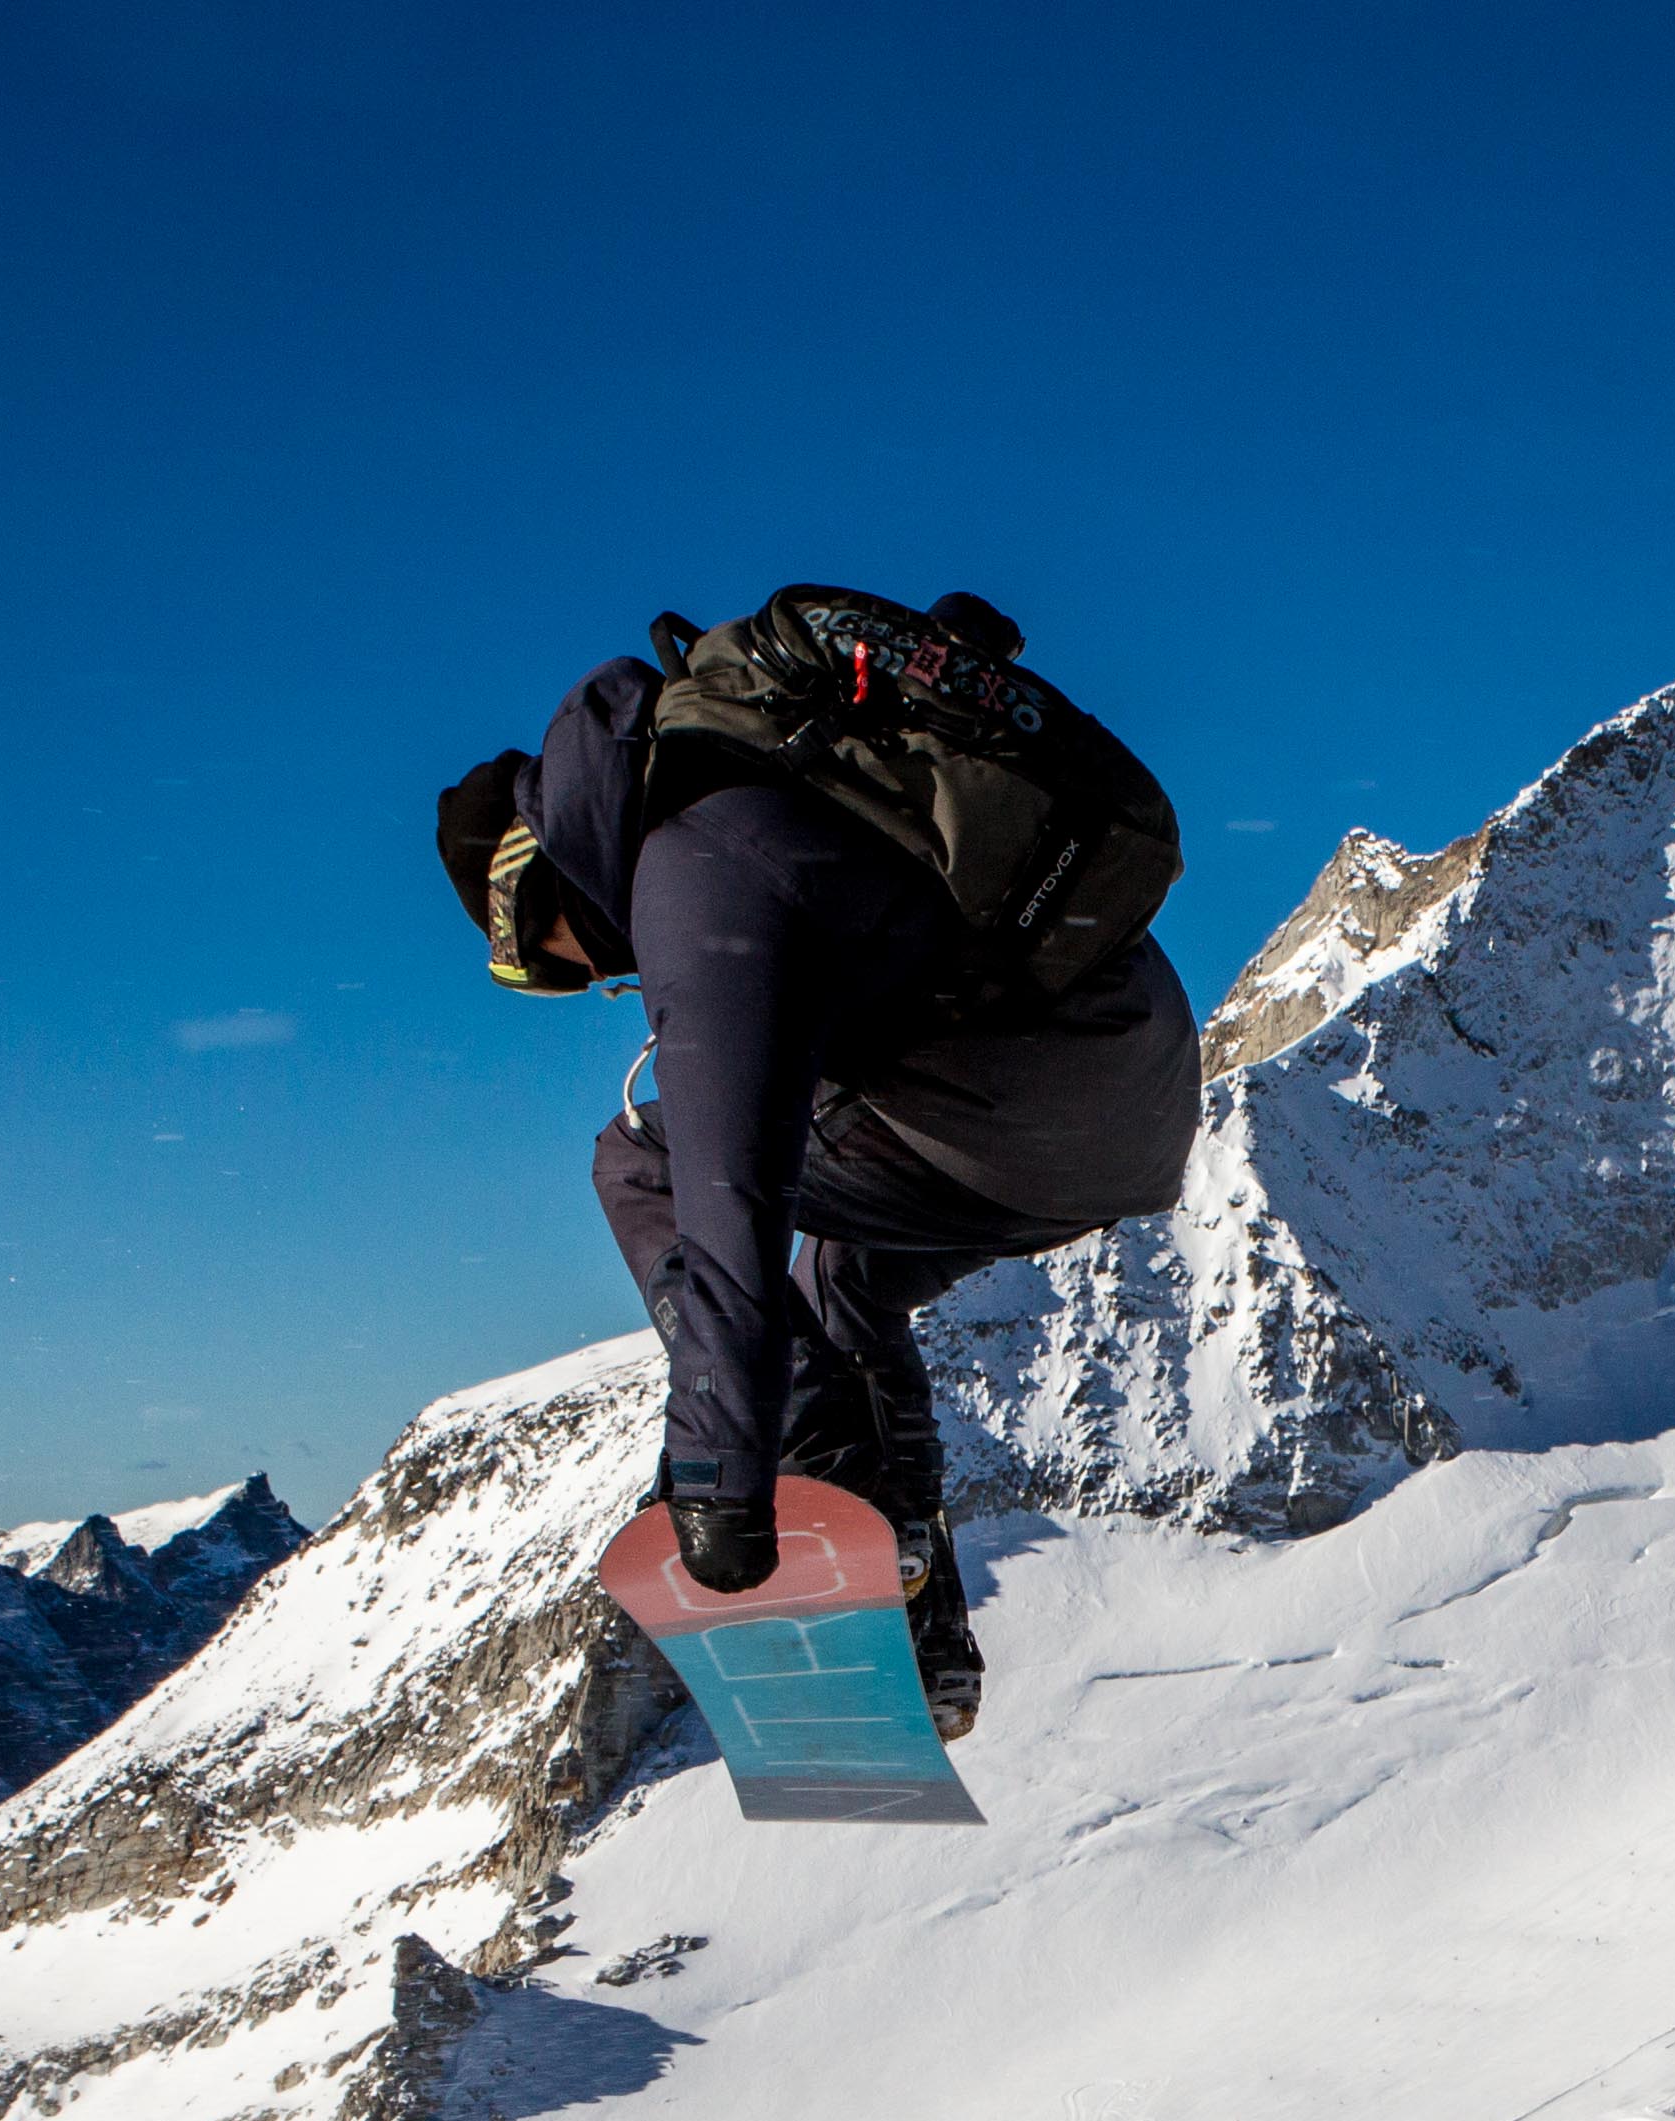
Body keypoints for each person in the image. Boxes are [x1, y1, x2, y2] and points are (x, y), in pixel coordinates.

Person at [436, 598, 1198, 1738]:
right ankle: (916, 1592)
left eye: (540, 963)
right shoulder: (777, 782)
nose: (583, 979)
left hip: (1022, 1110)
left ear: (531, 883)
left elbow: (728, 1204)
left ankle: (820, 1468)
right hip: (1133, 1106)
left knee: (639, 1157)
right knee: (844, 1279)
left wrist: (722, 1481)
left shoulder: (696, 868)